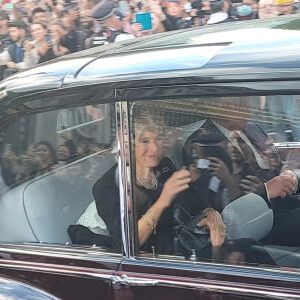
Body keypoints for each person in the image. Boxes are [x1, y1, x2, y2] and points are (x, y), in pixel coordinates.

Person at [182, 97, 300, 247]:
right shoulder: (201, 143)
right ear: (220, 107)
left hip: (287, 202)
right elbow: (215, 202)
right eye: (240, 103)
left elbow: (274, 163)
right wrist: (266, 191)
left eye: (247, 102)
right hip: (258, 224)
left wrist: (287, 172)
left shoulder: (253, 129)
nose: (248, 107)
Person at [68, 116, 191, 253]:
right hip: (108, 253)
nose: (154, 148)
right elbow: (127, 243)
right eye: (145, 141)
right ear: (130, 146)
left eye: (158, 139)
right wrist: (163, 200)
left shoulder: (164, 166)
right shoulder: (107, 187)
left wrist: (207, 212)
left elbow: (183, 201)